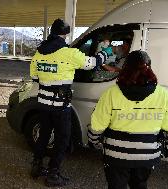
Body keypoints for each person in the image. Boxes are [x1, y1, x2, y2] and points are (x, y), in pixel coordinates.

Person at [30, 18, 113, 187]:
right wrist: (105, 51)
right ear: (65, 35)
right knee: (62, 139)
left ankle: (37, 166)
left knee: (44, 135)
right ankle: (53, 174)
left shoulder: (38, 53)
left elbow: (35, 77)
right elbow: (91, 64)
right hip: (60, 106)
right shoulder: (69, 53)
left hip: (43, 104)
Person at [88, 50, 168, 189]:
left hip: (116, 156)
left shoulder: (111, 93)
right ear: (149, 68)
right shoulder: (163, 95)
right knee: (140, 185)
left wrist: (94, 142)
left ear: (125, 68)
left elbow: (97, 125)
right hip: (148, 155)